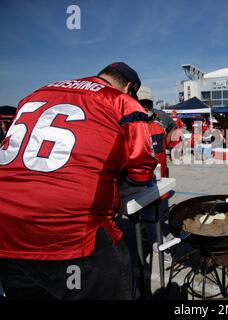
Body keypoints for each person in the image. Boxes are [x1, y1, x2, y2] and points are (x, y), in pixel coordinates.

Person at [0, 62, 158, 300]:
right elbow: (141, 171)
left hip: (5, 226)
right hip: (69, 232)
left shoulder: (38, 93)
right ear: (128, 88)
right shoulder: (121, 101)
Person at [137, 86, 172, 263]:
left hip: (161, 179)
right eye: (140, 103)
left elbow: (172, 131)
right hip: (140, 182)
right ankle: (158, 243)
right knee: (150, 214)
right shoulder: (130, 127)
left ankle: (151, 236)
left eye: (147, 103)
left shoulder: (160, 123)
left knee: (159, 211)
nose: (144, 106)